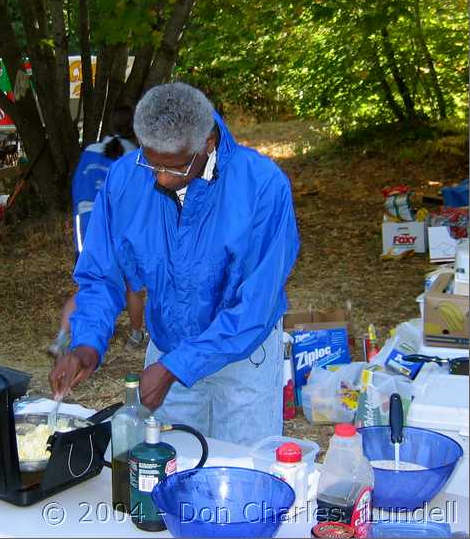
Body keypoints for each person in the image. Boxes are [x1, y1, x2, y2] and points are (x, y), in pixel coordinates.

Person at [48, 82, 300, 446]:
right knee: (173, 470)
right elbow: (102, 277)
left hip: (245, 357)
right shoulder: (126, 178)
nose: (160, 178)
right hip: (168, 346)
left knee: (244, 469)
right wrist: (87, 344)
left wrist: (174, 368)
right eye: (153, 163)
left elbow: (255, 305)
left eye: (175, 168)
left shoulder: (262, 186)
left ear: (208, 144)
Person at [48, 105, 148, 357]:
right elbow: (139, 199)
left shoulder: (90, 151)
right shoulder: (135, 156)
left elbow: (77, 187)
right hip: (120, 225)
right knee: (132, 282)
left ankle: (61, 338)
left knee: (90, 285)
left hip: (87, 221)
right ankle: (136, 336)